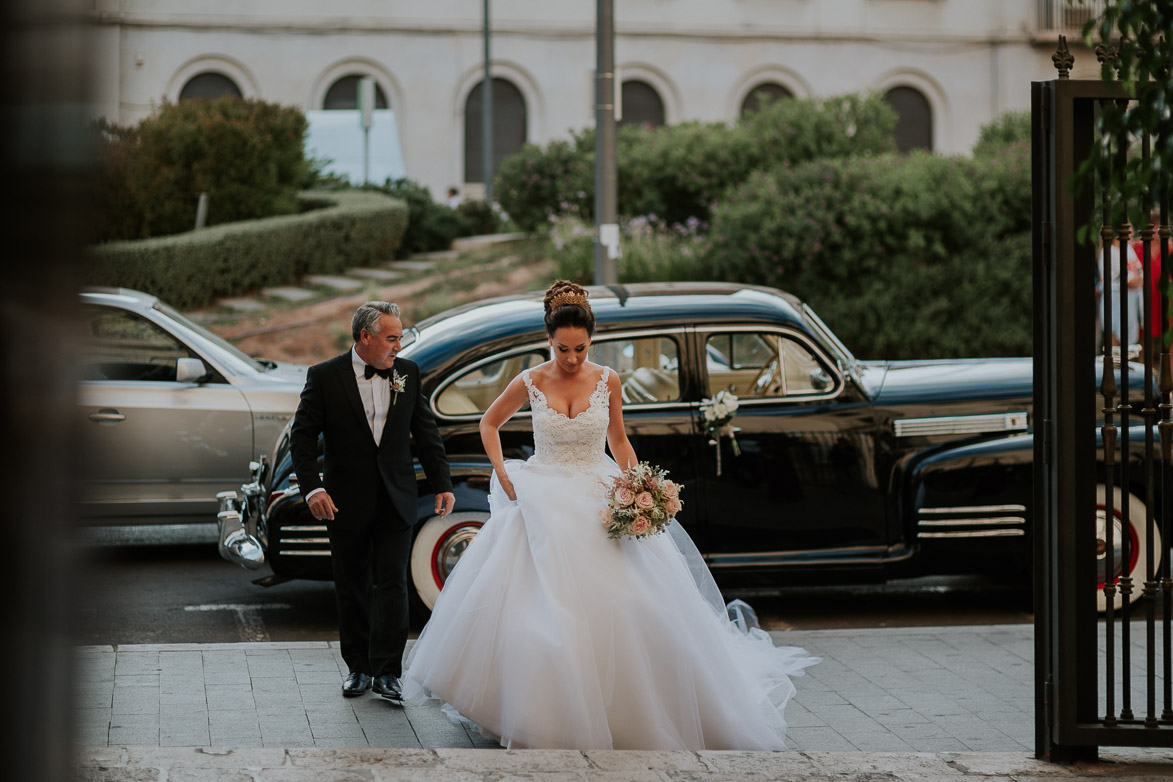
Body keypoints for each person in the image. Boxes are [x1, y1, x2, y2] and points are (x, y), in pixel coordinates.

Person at [402, 281, 819, 750]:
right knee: (536, 607)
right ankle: (534, 710)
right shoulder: (531, 381)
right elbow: (489, 422)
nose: (573, 358)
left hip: (598, 492)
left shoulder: (608, 380)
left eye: (581, 349)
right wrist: (503, 473)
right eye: (563, 349)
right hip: (543, 494)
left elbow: (618, 440)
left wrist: (640, 483)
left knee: (630, 601)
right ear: (548, 340)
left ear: (591, 342)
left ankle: (629, 709)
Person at [291, 301, 455, 703]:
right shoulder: (325, 377)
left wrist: (442, 483)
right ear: (365, 337)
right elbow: (302, 437)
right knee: (352, 586)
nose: (399, 346)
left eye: (400, 337)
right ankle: (358, 669)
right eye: (392, 337)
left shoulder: (408, 374)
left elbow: (427, 434)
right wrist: (314, 489)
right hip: (343, 502)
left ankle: (387, 673)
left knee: (392, 585)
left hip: (396, 499)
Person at [1097, 230, 1143, 347]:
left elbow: (1138, 269)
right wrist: (1130, 281)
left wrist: (1138, 279)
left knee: (1129, 336)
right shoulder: (1108, 251)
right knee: (1115, 335)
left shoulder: (1128, 249)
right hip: (1115, 300)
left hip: (1130, 299)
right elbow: (1113, 277)